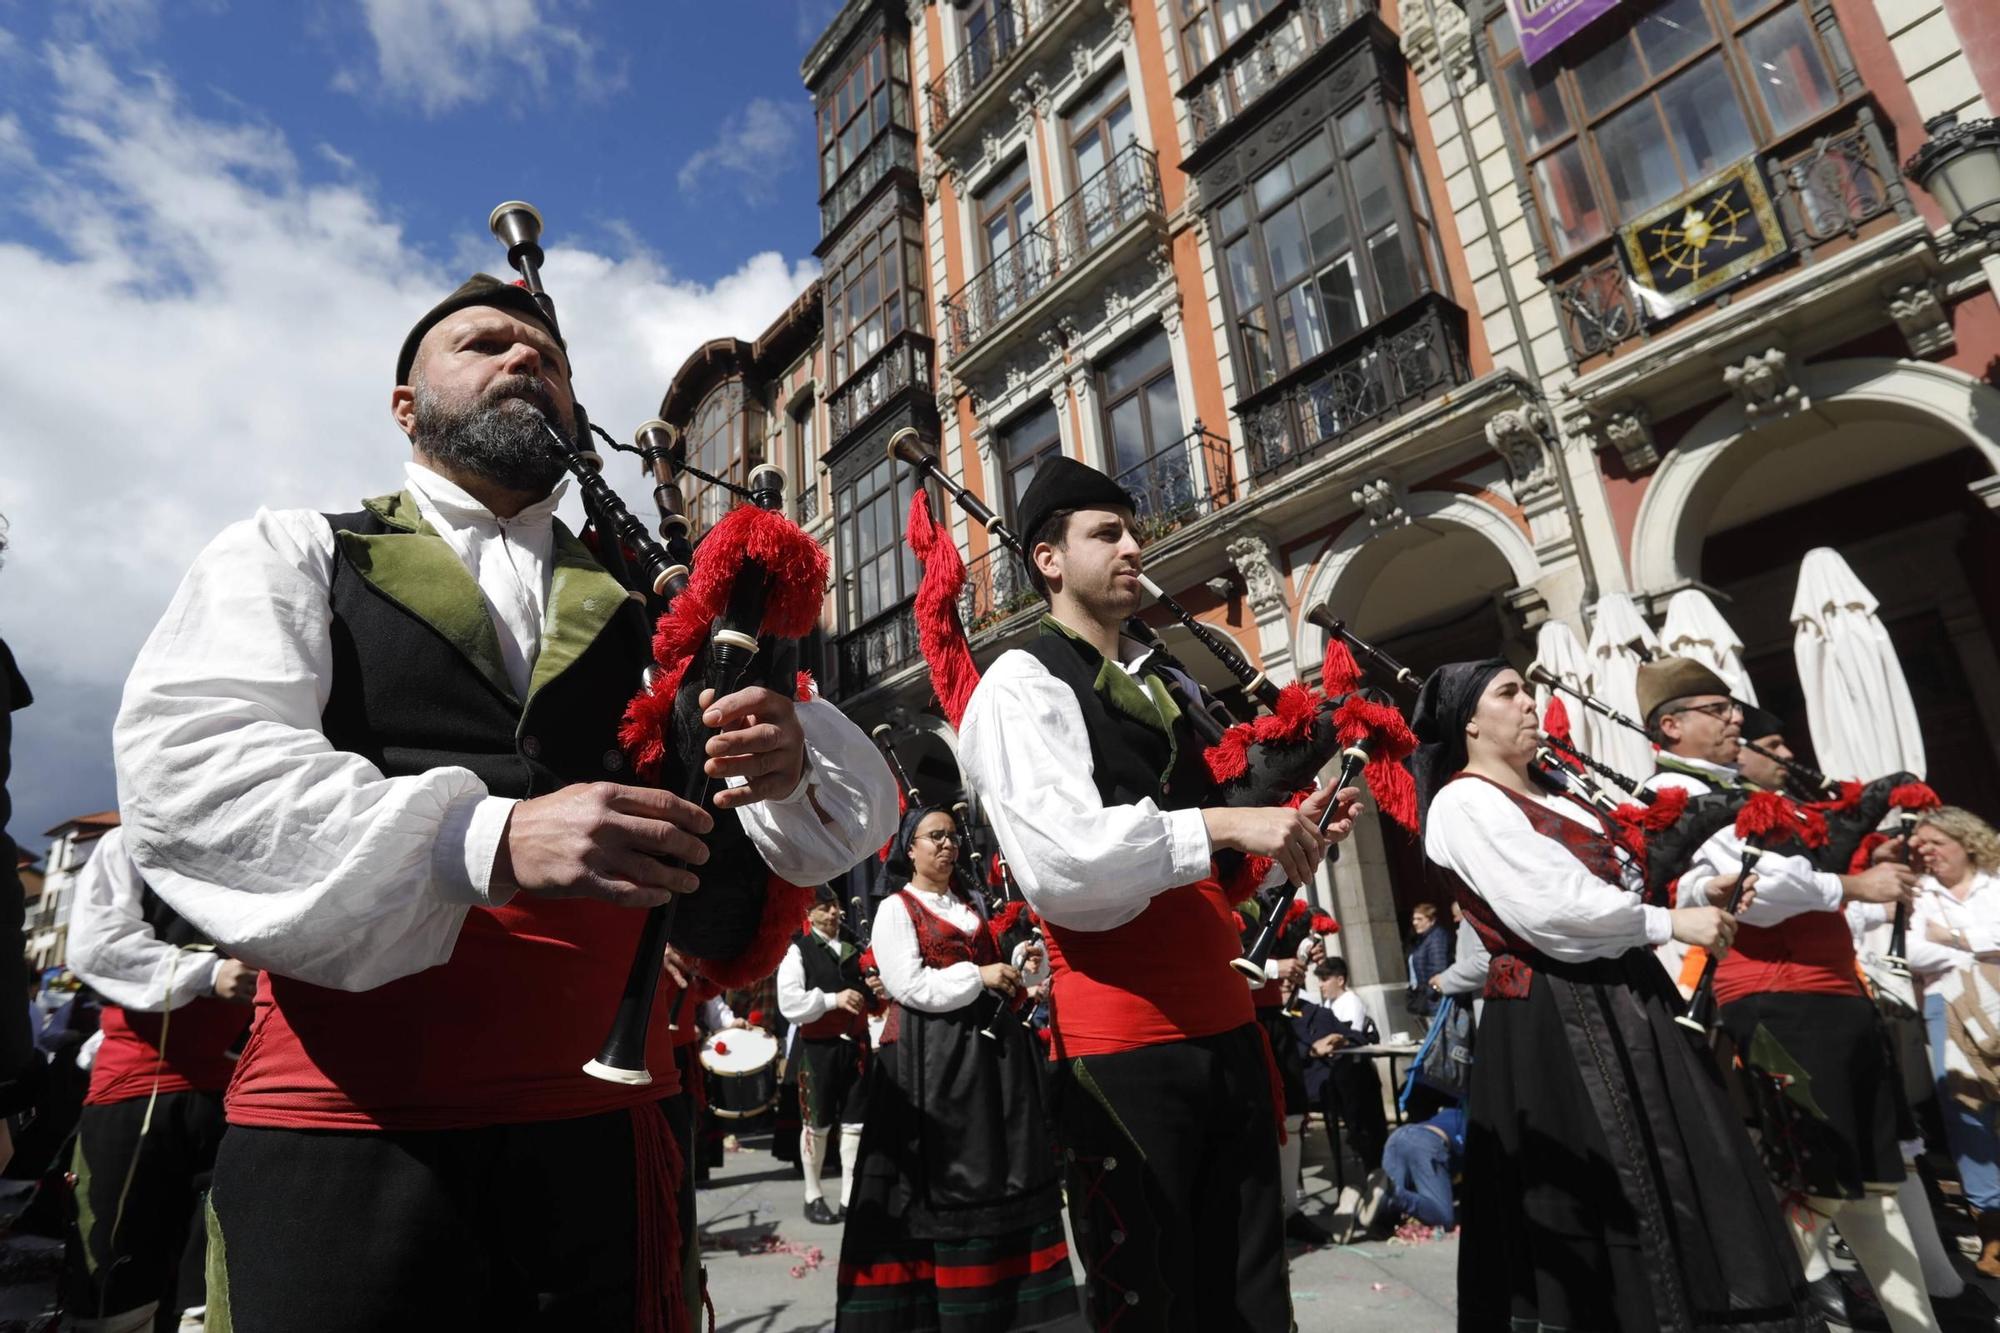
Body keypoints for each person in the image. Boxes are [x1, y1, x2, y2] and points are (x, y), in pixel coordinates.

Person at [112, 274, 896, 1331]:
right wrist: (489, 836)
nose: (526, 360)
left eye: (553, 360)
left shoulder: (658, 615)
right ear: (405, 405)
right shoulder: (295, 550)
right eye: (483, 343)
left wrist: (787, 756)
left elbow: (852, 823)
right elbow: (192, 774)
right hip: (345, 1138)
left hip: (606, 1141)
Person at [958, 456, 1359, 1331]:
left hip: (1225, 1032)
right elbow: (1066, 869)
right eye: (1107, 533)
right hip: (1124, 1055)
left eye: (1133, 530)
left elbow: (1193, 866)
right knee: (1157, 1306)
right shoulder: (1020, 684)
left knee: (1253, 1299)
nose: (1135, 547)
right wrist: (1223, 825)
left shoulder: (1161, 683)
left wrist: (1287, 833)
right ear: (1048, 558)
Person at [1417, 658, 1815, 1331]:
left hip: (1626, 995)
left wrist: (1693, 893)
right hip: (1559, 1012)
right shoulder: (1465, 802)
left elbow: (1619, 886)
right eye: (1508, 693)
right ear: (1470, 722)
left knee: (1686, 1170)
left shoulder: (1559, 794)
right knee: (1612, 1190)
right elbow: (1552, 912)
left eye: (1528, 688)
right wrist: (1668, 922)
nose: (1529, 702)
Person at [1637, 659, 1941, 1332]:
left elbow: (1803, 863)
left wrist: (1870, 853)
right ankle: (1752, 1313)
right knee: (1818, 1181)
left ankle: (1918, 1323)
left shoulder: (1738, 788)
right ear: (1672, 724)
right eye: (1717, 708)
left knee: (1872, 1182)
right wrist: (1854, 887)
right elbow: (1764, 895)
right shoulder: (1671, 792)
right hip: (1778, 999)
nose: (1736, 717)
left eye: (1732, 706)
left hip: (1832, 992)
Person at [835, 807, 1077, 1330]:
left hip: (990, 1062)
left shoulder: (970, 904)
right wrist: (979, 974)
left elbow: (996, 985)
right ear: (909, 848)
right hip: (931, 1063)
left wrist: (1019, 973)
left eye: (952, 836)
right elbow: (909, 986)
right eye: (935, 836)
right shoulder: (897, 909)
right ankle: (943, 1306)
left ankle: (1003, 1295)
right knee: (947, 1179)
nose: (947, 845)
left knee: (1000, 1170)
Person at [62, 824, 257, 1333]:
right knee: (114, 1285)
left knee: (212, 1290)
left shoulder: (259, 843)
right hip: (136, 1088)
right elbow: (96, 944)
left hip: (241, 1099)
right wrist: (207, 975)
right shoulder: (128, 842)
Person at [1904, 806, 2000, 1279]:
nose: (1926, 853)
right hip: (1946, 1010)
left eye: (1935, 843)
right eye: (1920, 846)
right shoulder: (1918, 892)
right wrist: (1981, 944)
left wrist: (1955, 937)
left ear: (1965, 840)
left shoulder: (1995, 880)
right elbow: (1912, 950)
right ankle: (1993, 1230)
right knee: (1967, 1114)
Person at [778, 885, 874, 1225]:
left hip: (855, 1049)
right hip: (817, 1050)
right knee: (816, 1125)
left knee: (854, 1124)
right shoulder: (798, 953)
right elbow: (790, 1005)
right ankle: (813, 1194)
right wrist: (833, 1000)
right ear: (809, 914)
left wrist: (874, 991)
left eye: (834, 906)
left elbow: (868, 996)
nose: (832, 913)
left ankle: (850, 1197)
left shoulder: (854, 947)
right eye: (823, 908)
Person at [1292, 958, 1386, 1178]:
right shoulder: (1326, 1006)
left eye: (1325, 979)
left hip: (1349, 1072)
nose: (1321, 985)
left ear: (1340, 980)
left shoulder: (1349, 1002)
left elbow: (1345, 1039)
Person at [1356, 1106, 1465, 1235]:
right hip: (1427, 1142)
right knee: (1443, 1217)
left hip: (1398, 1137)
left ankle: (1358, 1199)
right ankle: (1392, 1192)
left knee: (1389, 1215)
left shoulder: (1452, 1113)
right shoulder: (1472, 1122)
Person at [1404, 901, 1450, 1018]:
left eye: (1420, 919)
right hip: (1426, 998)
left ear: (1431, 920)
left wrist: (1429, 992)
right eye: (1414, 919)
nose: (1415, 923)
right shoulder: (1423, 939)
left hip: (1436, 1000)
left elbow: (1438, 968)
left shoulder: (1436, 938)